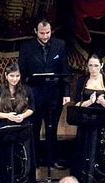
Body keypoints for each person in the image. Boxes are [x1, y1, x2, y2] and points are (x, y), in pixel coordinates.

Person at [19, 18, 70, 168]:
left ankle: (52, 159)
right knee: (33, 128)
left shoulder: (60, 45)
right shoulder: (26, 47)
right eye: (42, 33)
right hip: (34, 94)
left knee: (51, 128)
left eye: (47, 32)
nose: (45, 36)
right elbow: (22, 72)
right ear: (36, 31)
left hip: (54, 94)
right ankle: (34, 161)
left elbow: (64, 70)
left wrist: (66, 93)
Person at [72, 54, 105, 183]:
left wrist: (103, 102)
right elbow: (76, 103)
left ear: (101, 66)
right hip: (85, 124)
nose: (93, 69)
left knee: (102, 157)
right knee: (84, 155)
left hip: (102, 126)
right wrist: (87, 102)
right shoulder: (82, 81)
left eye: (96, 66)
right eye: (90, 66)